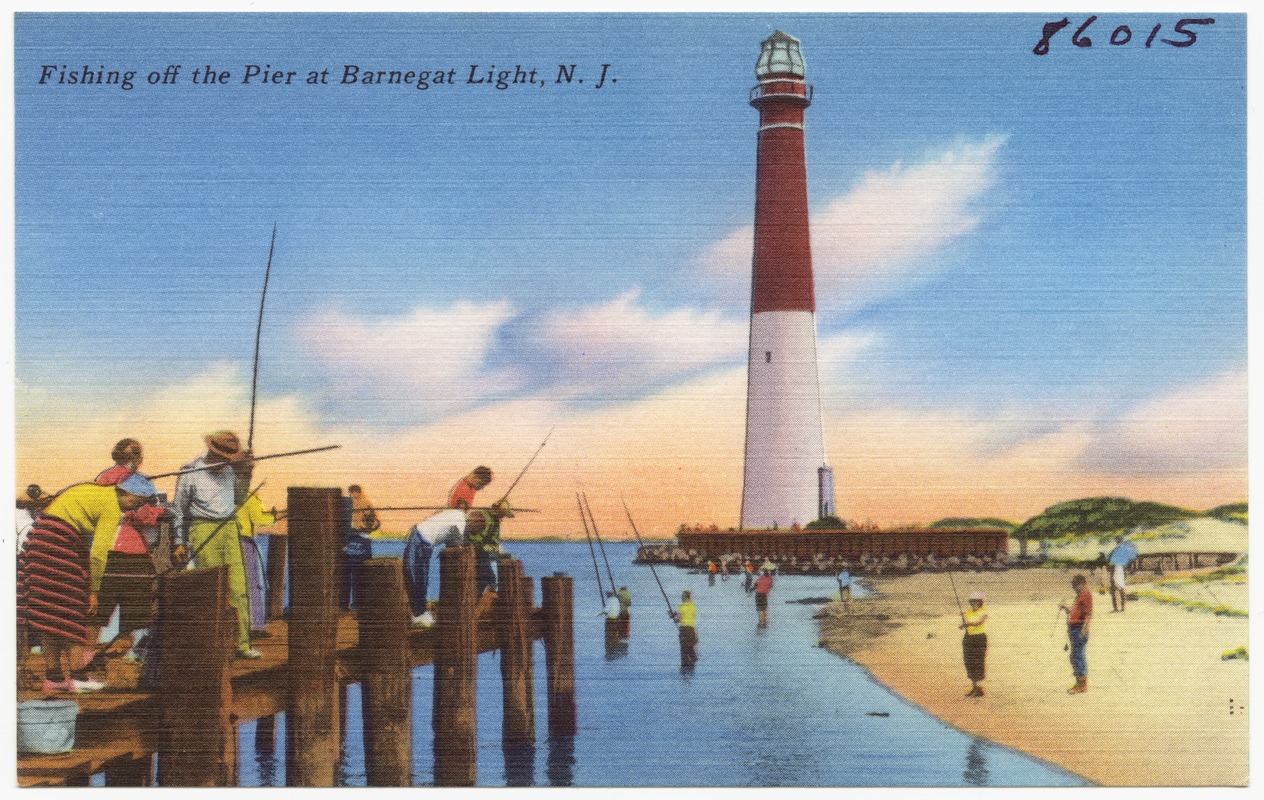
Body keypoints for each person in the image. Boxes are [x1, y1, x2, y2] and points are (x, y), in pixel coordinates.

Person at [18, 473, 157, 693]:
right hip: (57, 541)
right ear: (126, 494)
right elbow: (99, 555)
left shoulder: (96, 491)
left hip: (41, 539)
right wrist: (93, 590)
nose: (134, 508)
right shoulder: (112, 507)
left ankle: (55, 678)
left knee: (51, 612)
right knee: (75, 609)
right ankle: (78, 676)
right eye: (136, 502)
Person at [173, 431, 261, 659]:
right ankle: (212, 645)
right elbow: (180, 511)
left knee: (239, 589)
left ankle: (242, 644)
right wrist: (180, 542)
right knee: (212, 588)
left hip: (230, 528)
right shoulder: (190, 471)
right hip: (202, 529)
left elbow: (239, 500)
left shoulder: (231, 470)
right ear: (212, 451)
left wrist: (247, 471)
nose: (227, 461)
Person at [402, 509, 466, 627]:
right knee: (418, 577)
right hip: (422, 540)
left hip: (421, 537)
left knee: (417, 576)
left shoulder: (458, 514)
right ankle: (419, 614)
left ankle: (418, 613)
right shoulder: (460, 525)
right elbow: (456, 547)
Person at [237, 493, 277, 639]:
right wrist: (273, 516)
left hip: (228, 544)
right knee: (253, 585)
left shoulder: (225, 494)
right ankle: (255, 626)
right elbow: (259, 519)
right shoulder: (250, 497)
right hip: (245, 543)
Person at [464, 498, 514, 616]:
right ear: (495, 511)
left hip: (483, 552)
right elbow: (472, 539)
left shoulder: (496, 523)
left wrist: (498, 552)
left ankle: (482, 602)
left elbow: (494, 542)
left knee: (489, 578)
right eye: (502, 515)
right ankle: (477, 606)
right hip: (472, 551)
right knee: (488, 577)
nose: (502, 518)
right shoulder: (481, 517)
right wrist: (492, 549)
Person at [342, 485, 380, 610]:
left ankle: (356, 604)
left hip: (360, 536)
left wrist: (364, 528)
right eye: (351, 493)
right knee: (353, 572)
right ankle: (351, 604)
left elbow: (373, 520)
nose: (352, 495)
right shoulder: (351, 503)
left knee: (359, 572)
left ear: (358, 492)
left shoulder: (365, 503)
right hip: (355, 536)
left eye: (353, 492)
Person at [1059, 574, 1093, 694]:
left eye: (1076, 586)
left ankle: (1081, 685)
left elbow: (1089, 614)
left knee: (1077, 656)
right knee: (1075, 656)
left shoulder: (1086, 595)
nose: (1074, 589)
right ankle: (1080, 683)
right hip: (1074, 629)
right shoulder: (1080, 596)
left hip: (1079, 630)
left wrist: (1085, 629)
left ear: (1082, 584)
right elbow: (1075, 612)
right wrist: (1065, 608)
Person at [960, 590, 988, 697]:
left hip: (979, 638)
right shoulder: (967, 611)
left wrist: (968, 623)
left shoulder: (984, 611)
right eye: (972, 602)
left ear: (981, 603)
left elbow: (980, 621)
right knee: (969, 662)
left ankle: (979, 688)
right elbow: (967, 622)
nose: (974, 604)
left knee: (978, 662)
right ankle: (974, 687)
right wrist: (964, 625)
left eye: (977, 602)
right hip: (968, 638)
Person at [671, 590, 698, 668]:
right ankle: (691, 671)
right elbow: (688, 615)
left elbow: (678, 619)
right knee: (691, 651)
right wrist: (676, 615)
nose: (681, 597)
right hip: (692, 630)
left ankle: (684, 672)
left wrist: (673, 617)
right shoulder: (693, 606)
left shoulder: (681, 606)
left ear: (685, 597)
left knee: (684, 653)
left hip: (684, 631)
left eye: (682, 596)